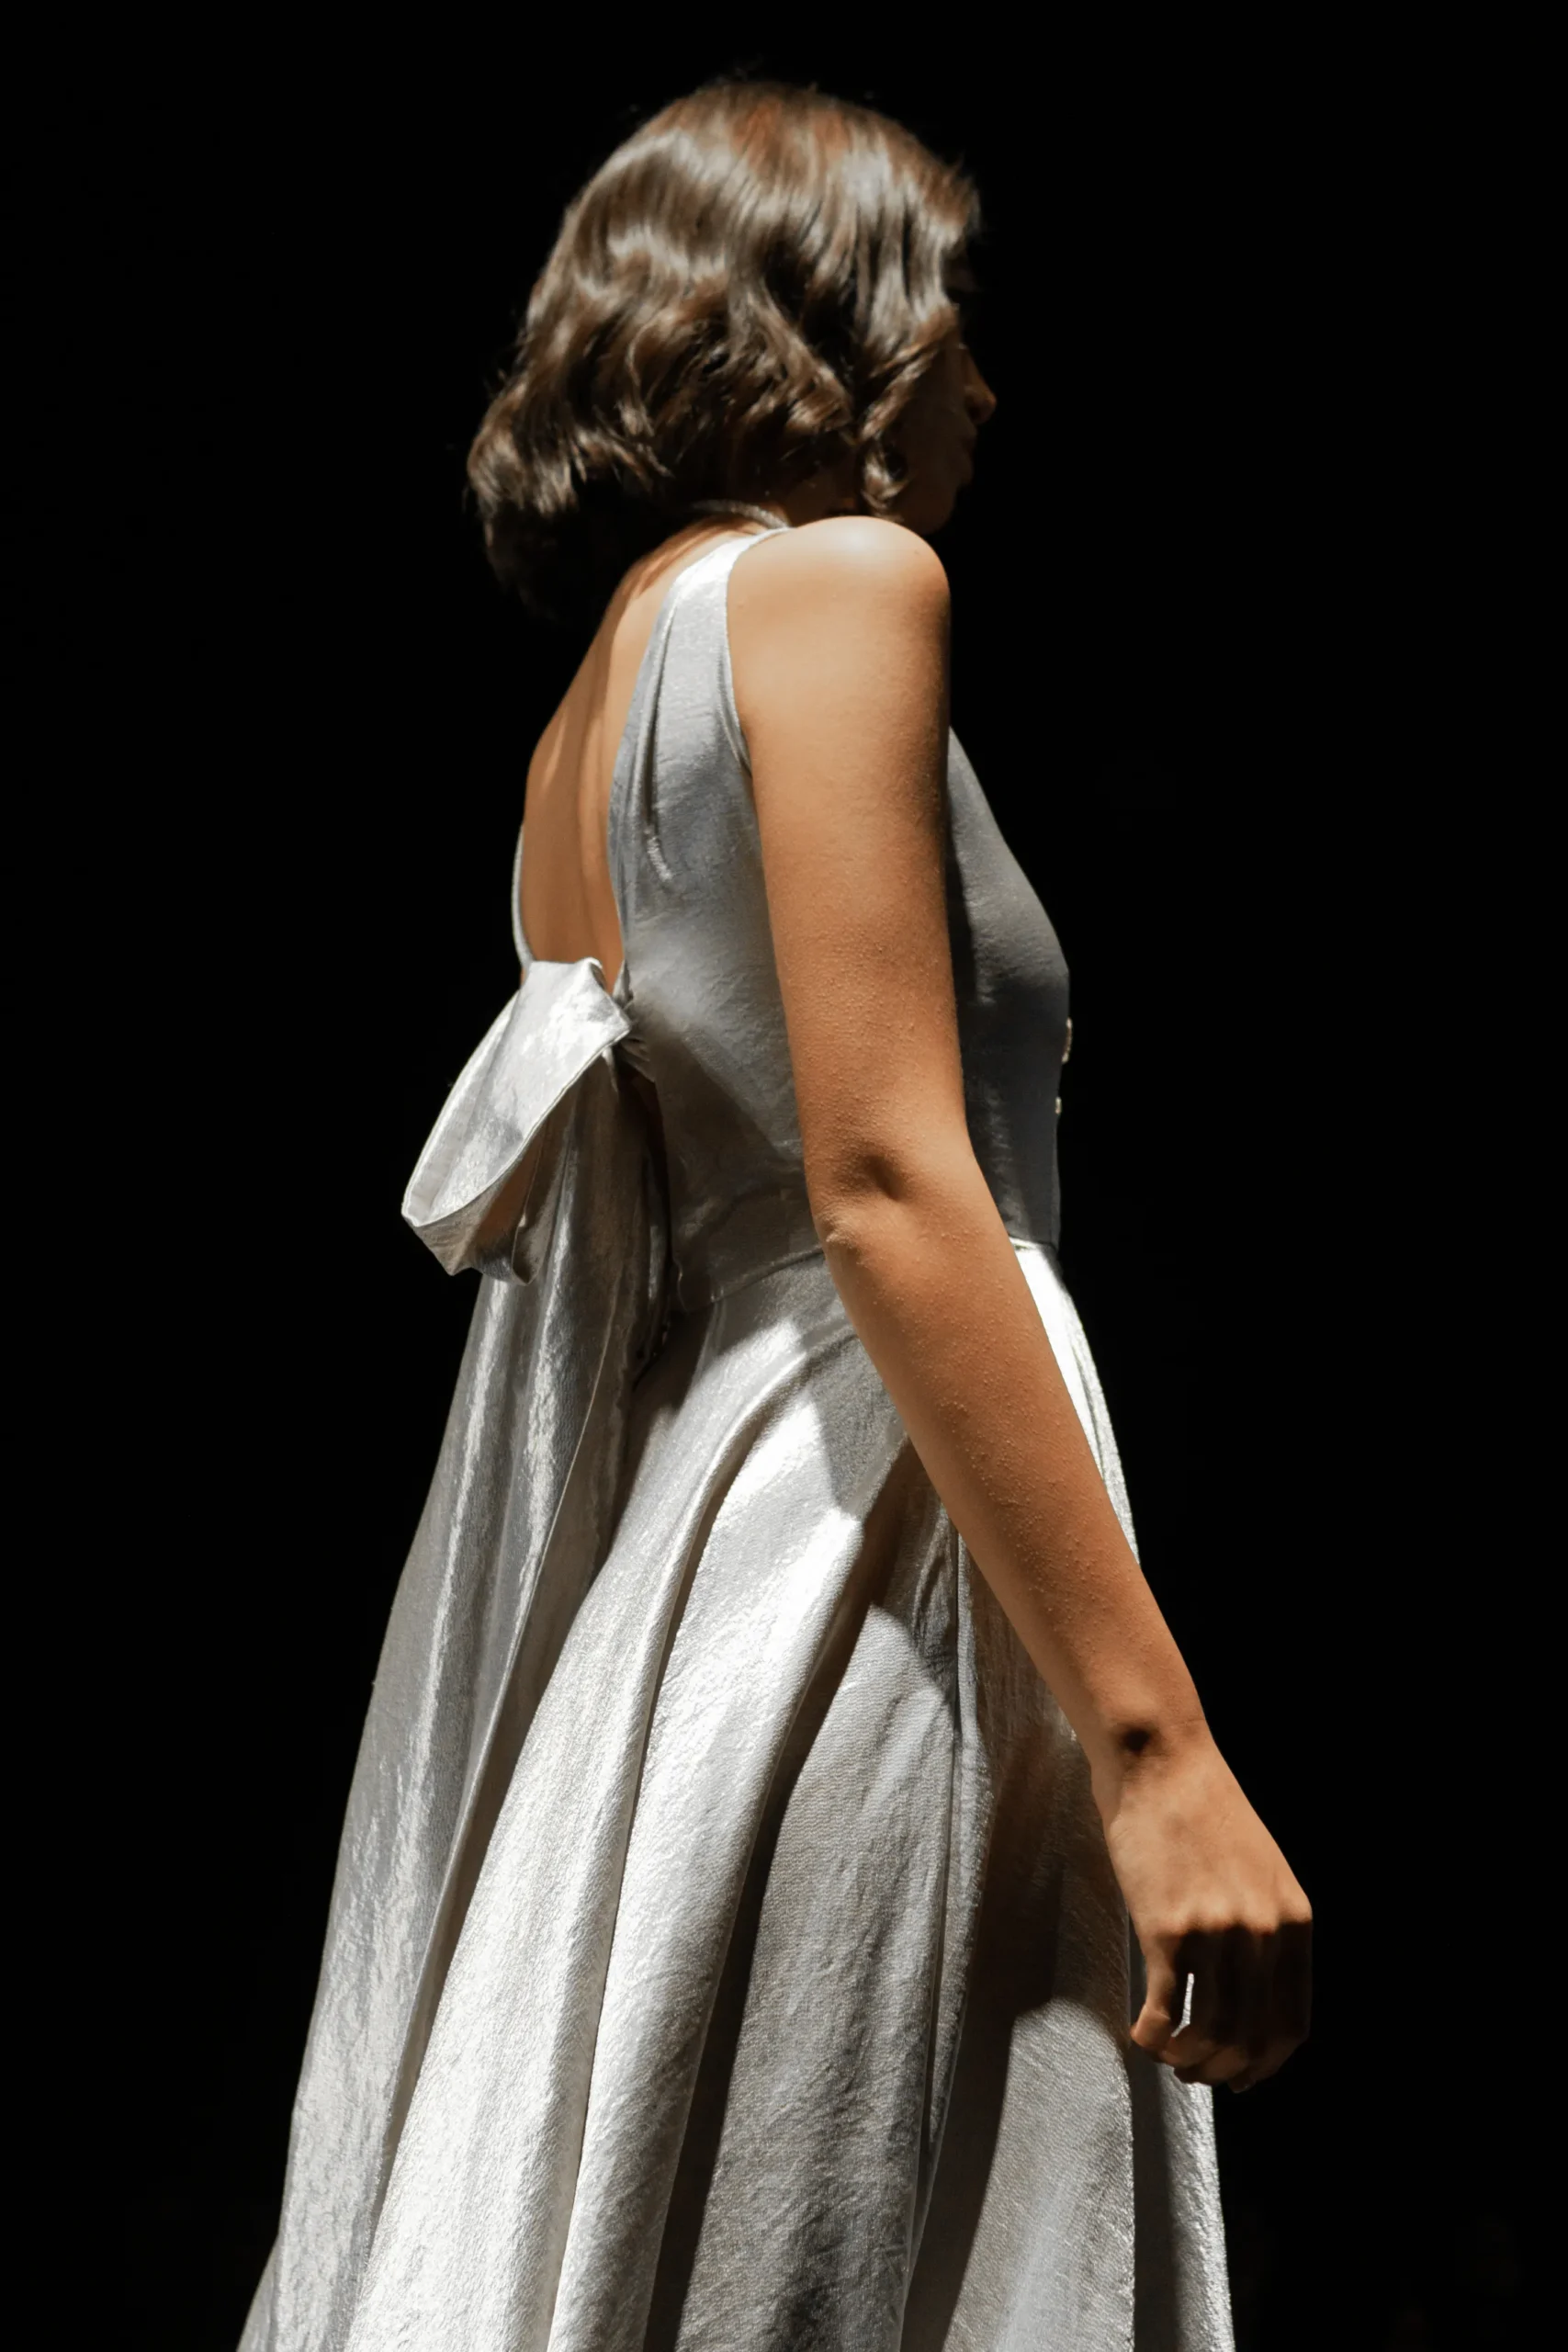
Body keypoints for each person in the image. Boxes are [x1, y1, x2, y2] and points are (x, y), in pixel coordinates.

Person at [241, 79, 1310, 2352]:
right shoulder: (842, 587)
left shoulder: (587, 721)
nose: (983, 387)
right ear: (829, 324)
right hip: (874, 1539)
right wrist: (1159, 1750)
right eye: (949, 320)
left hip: (700, 1583)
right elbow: (890, 1179)